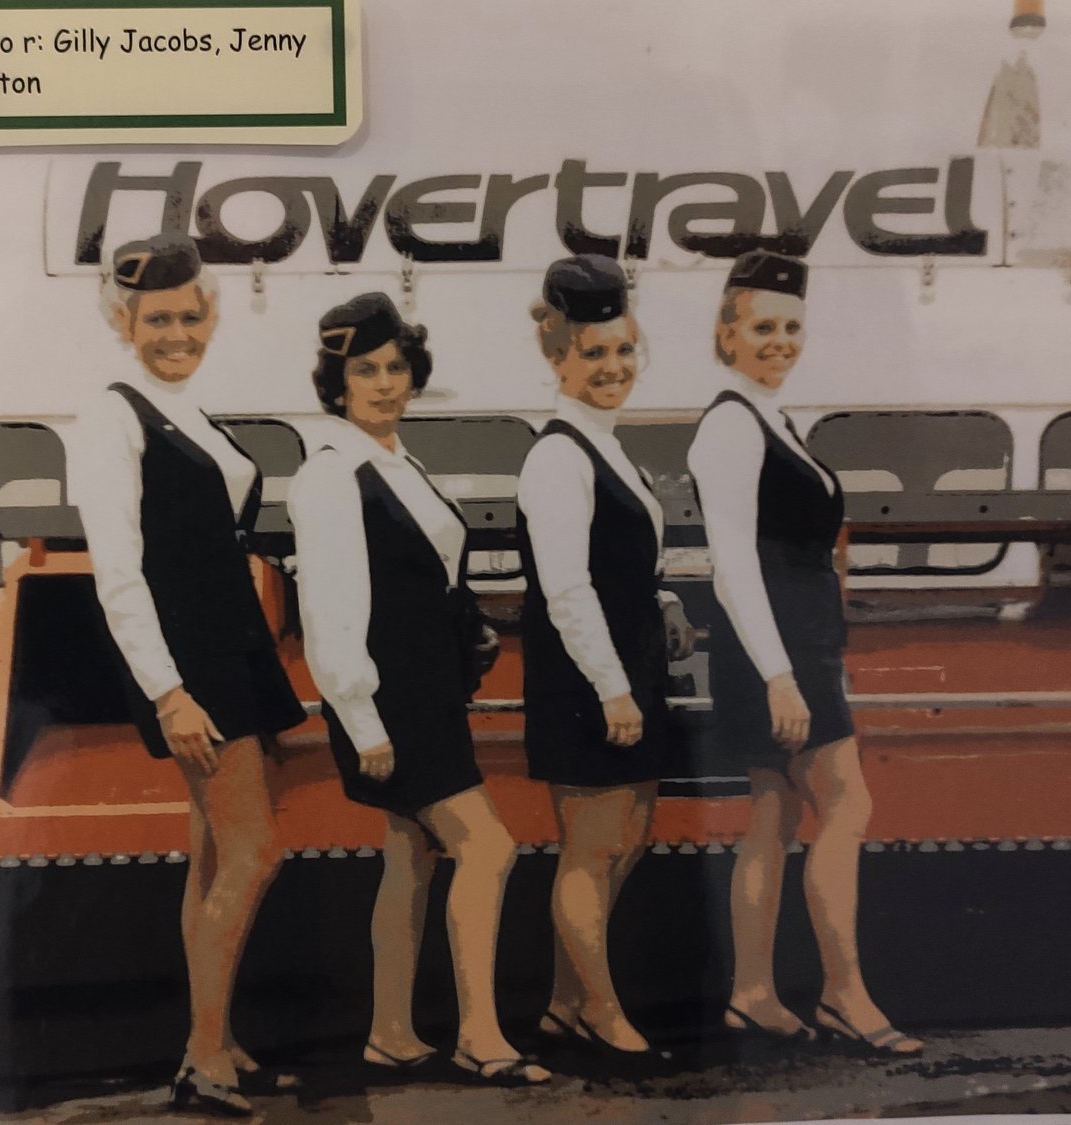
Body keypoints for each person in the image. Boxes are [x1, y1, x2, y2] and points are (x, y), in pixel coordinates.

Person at [66, 233, 311, 1115]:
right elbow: (119, 574)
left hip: (228, 648)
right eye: (156, 318)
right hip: (191, 665)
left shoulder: (187, 410)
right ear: (124, 322)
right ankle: (201, 1055)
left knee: (212, 854)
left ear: (209, 315)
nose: (176, 331)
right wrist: (168, 691)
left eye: (187, 314)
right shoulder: (112, 416)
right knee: (254, 851)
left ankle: (218, 1037)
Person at [289, 292, 553, 1087]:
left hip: (428, 691)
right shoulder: (330, 473)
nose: (383, 382)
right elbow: (327, 612)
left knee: (412, 857)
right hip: (385, 700)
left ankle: (392, 1034)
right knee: (488, 846)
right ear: (335, 383)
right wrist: (361, 719)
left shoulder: (396, 462)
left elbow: (426, 576)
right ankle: (480, 1035)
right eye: (363, 370)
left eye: (396, 366)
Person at [688, 250, 921, 1055]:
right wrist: (781, 674)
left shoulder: (770, 415)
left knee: (773, 813)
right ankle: (845, 994)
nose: (780, 340)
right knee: (846, 805)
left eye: (791, 327)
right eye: (762, 327)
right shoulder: (728, 423)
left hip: (793, 644)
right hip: (776, 653)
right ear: (726, 335)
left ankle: (752, 992)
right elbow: (733, 561)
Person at [514, 255, 694, 1056]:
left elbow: (614, 561)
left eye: (625, 350)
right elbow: (565, 590)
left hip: (628, 661)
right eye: (595, 354)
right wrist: (614, 689)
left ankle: (564, 999)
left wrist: (660, 597)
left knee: (631, 836)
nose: (615, 367)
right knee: (592, 850)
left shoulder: (606, 445)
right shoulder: (557, 454)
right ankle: (600, 1006)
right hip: (589, 676)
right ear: (557, 357)